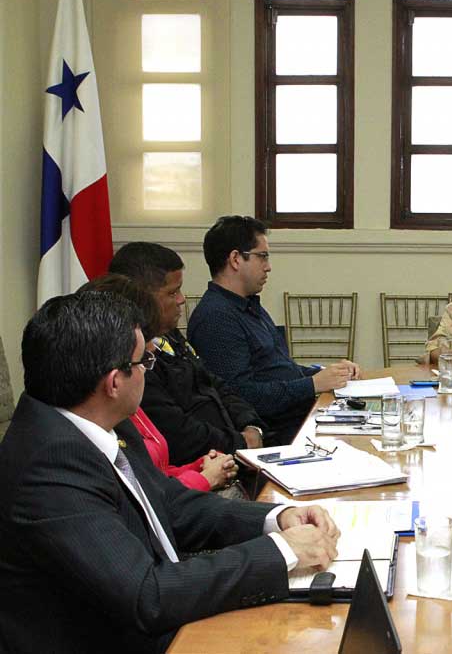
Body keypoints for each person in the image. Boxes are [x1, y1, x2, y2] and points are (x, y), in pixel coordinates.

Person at [0, 292, 340, 653]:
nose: (149, 371)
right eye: (144, 361)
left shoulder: (104, 421)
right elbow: (146, 595)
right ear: (114, 383)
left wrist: (276, 518)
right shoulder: (48, 466)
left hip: (166, 617)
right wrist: (281, 552)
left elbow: (171, 504)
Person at [188, 216, 360, 445]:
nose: (268, 266)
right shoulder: (216, 318)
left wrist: (327, 373)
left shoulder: (248, 305)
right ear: (236, 259)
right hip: (277, 433)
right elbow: (242, 395)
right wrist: (313, 384)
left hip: (297, 418)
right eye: (262, 256)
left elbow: (278, 369)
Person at [81, 273, 238, 493]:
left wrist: (197, 467)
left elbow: (155, 474)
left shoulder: (128, 407)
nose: (153, 351)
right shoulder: (100, 422)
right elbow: (148, 497)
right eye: (144, 357)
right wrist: (204, 479)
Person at [108, 242, 267, 461]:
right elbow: (178, 433)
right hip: (205, 462)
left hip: (234, 450)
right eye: (173, 292)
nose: (182, 299)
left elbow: (215, 384)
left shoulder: (170, 336)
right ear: (142, 298)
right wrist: (240, 443)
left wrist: (251, 425)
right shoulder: (137, 361)